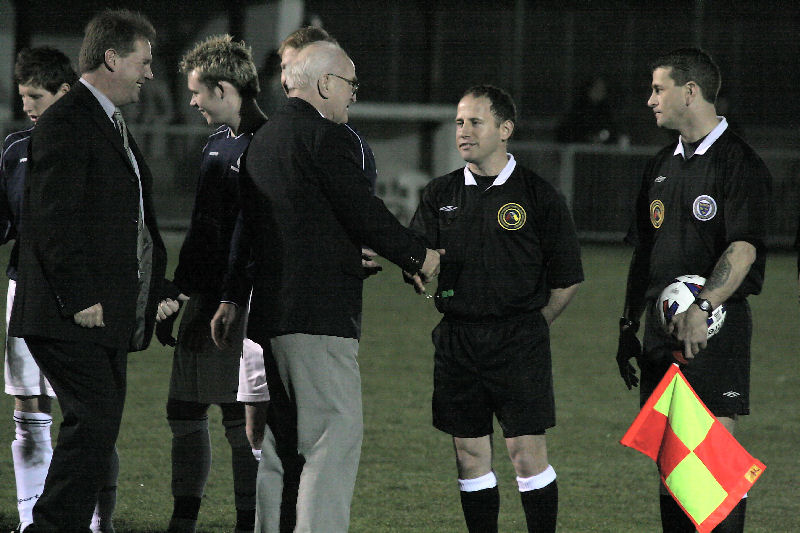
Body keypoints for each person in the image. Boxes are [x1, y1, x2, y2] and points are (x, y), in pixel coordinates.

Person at [211, 41, 441, 533]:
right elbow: (362, 210)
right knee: (329, 443)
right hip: (318, 317)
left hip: (273, 315)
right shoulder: (328, 137)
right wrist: (418, 254)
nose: (354, 94)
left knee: (280, 445)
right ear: (324, 84)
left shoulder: (263, 140)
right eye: (350, 83)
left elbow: (260, 229)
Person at [8, 10, 174, 532]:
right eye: (143, 62)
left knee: (97, 428)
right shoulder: (68, 120)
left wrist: (156, 289)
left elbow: (131, 221)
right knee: (94, 422)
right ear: (112, 58)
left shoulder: (104, 120)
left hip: (105, 315)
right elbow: (52, 217)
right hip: (70, 315)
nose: (150, 73)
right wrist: (80, 297)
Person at [407, 85, 583, 533]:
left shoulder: (540, 196)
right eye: (459, 123)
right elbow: (417, 257)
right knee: (469, 456)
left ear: (505, 129)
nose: (463, 132)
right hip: (458, 341)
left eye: (475, 122)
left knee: (526, 454)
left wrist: (528, 326)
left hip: (519, 341)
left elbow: (566, 280)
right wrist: (417, 270)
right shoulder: (439, 194)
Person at [616, 48, 771, 533]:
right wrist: (627, 325)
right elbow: (645, 254)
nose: (650, 100)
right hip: (662, 334)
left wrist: (703, 306)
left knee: (714, 472)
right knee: (673, 469)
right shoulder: (661, 165)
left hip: (714, 331)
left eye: (659, 89)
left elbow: (743, 249)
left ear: (690, 91)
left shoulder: (738, 163)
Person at [2, 46, 121, 533]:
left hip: (83, 297)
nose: (28, 105)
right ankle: (34, 519)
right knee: (29, 407)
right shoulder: (15, 148)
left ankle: (97, 521)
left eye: (36, 96)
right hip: (26, 289)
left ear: (64, 92)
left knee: (88, 414)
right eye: (23, 96)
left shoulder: (99, 142)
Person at [153, 34, 265, 533]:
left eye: (197, 92)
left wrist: (230, 298)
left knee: (238, 419)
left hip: (240, 303)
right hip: (205, 298)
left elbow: (257, 237)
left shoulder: (269, 143)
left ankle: (247, 522)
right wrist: (178, 291)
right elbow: (204, 230)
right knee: (184, 409)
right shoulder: (216, 143)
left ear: (223, 88)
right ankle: (184, 519)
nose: (192, 101)